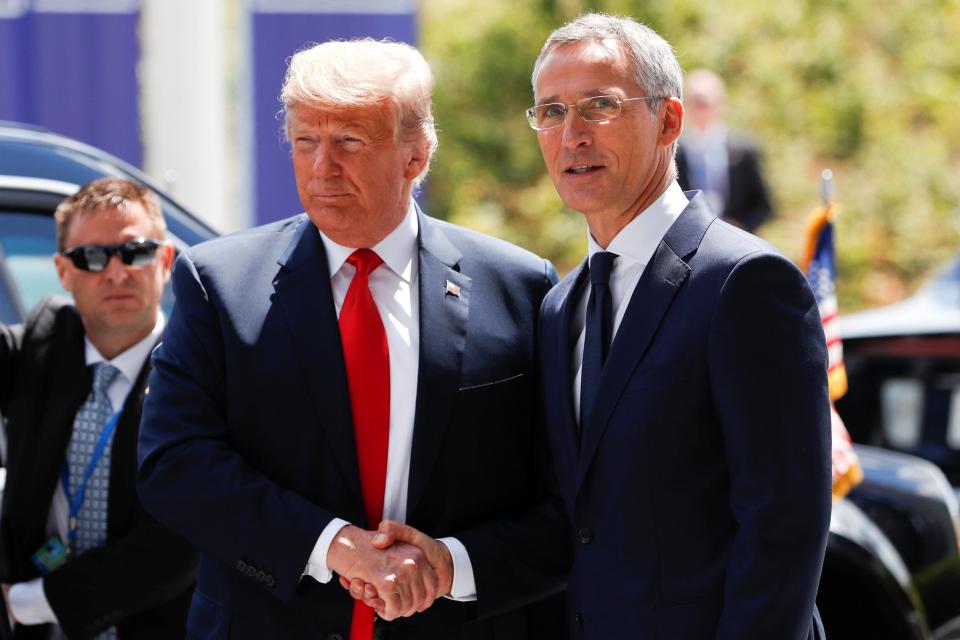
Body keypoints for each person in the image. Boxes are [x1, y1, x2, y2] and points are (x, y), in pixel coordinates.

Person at [136, 38, 570, 639]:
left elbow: (561, 501)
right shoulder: (219, 284)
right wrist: (333, 545)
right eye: (305, 141)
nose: (322, 168)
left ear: (416, 155)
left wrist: (450, 566)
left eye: (349, 142)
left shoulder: (520, 288)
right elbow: (174, 464)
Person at [528, 13, 831, 639]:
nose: (572, 134)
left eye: (599, 106)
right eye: (551, 112)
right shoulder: (563, 306)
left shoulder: (746, 282)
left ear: (669, 121)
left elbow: (783, 530)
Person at [0, 178, 197, 639]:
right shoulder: (44, 342)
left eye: (135, 252)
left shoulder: (202, 373)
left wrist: (25, 603)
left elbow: (174, 548)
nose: (115, 272)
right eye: (91, 257)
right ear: (62, 272)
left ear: (165, 260)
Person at [676, 68, 775, 232]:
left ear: (720, 103)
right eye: (694, 103)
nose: (700, 109)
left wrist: (738, 228)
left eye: (704, 103)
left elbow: (763, 205)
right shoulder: (676, 152)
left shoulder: (743, 149)